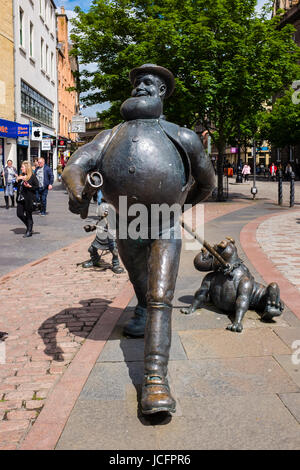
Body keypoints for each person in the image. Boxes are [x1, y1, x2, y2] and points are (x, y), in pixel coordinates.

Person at [62, 63, 215, 415]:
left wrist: (178, 204)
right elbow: (75, 164)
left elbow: (205, 182)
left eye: (148, 83)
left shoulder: (182, 136)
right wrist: (77, 190)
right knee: (140, 281)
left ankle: (155, 380)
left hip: (163, 225)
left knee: (161, 295)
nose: (140, 88)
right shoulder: (111, 134)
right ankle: (142, 311)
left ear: (162, 92)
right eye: (137, 83)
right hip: (127, 224)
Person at [82, 191, 124, 274]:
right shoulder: (102, 218)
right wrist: (91, 228)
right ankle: (94, 260)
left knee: (114, 250)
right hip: (101, 237)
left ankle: (115, 264)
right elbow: (98, 225)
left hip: (111, 237)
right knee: (91, 249)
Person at [16, 161, 39, 238]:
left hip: (29, 199)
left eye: (22, 167)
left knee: (29, 215)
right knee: (19, 214)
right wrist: (17, 180)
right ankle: (29, 224)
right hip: (20, 198)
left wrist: (30, 186)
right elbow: (17, 186)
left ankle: (29, 230)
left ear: (26, 168)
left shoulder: (32, 176)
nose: (21, 168)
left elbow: (37, 187)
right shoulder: (21, 175)